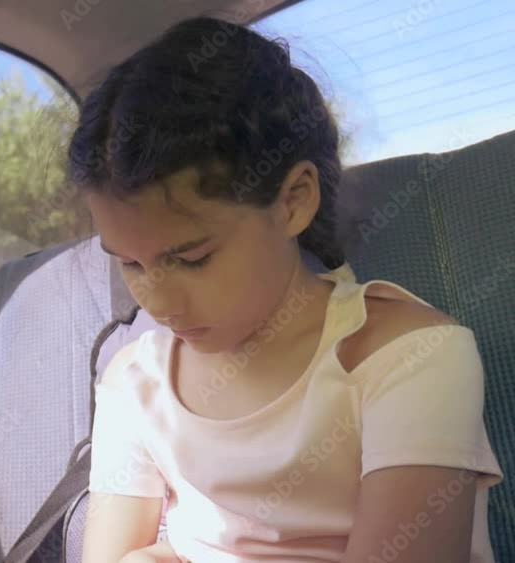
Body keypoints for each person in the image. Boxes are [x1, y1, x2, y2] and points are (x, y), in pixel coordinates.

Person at [70, 16, 504, 563]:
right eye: (131, 264)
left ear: (294, 200)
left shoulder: (407, 358)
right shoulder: (135, 381)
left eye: (192, 258)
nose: (158, 303)